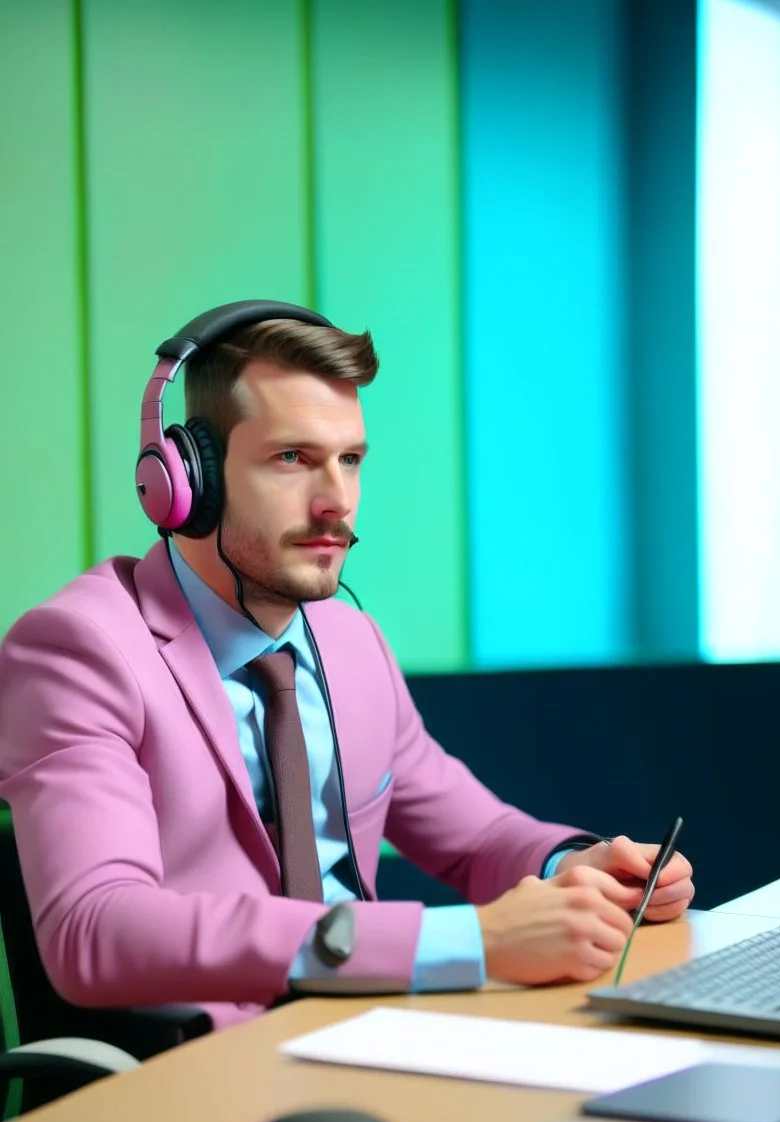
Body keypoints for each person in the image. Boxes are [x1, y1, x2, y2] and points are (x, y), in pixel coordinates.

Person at [0, 302, 694, 1031]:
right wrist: (470, 942)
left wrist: (573, 868)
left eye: (350, 459)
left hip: (373, 1030)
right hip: (207, 1066)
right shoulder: (78, 651)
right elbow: (94, 932)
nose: (336, 501)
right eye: (292, 458)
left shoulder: (349, 640)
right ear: (183, 482)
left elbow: (476, 837)